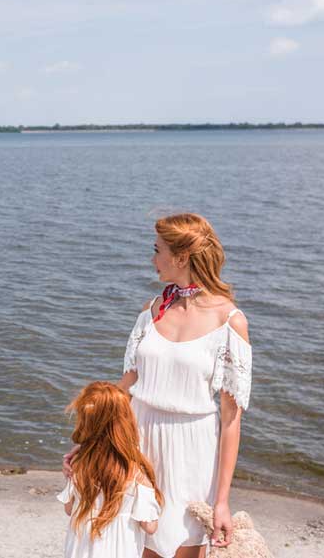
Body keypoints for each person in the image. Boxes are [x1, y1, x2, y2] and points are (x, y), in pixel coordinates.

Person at [64, 213, 252, 558]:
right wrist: (91, 443)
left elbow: (230, 418)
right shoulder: (152, 310)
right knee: (129, 545)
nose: (152, 259)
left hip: (191, 452)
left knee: (182, 546)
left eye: (157, 250)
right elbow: (125, 388)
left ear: (181, 257)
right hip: (135, 444)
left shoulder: (230, 322)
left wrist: (222, 501)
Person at [58, 381, 162, 558]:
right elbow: (150, 527)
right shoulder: (135, 472)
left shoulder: (78, 465)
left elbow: (69, 510)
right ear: (126, 422)